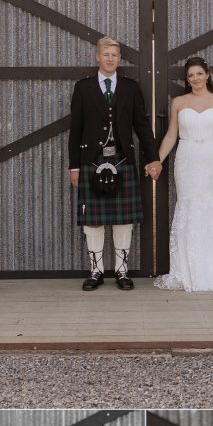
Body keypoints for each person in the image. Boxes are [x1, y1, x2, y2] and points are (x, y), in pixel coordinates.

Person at [68, 35, 163, 291]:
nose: (111, 59)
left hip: (122, 160)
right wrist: (74, 166)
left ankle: (122, 271)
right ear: (98, 56)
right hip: (91, 161)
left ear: (119, 59)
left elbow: (142, 126)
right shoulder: (83, 88)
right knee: (94, 220)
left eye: (115, 55)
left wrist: (153, 157)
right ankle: (96, 271)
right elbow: (75, 130)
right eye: (106, 55)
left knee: (124, 220)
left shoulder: (130, 88)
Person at [154, 57, 213, 294]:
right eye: (190, 76)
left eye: (199, 74)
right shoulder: (178, 102)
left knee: (210, 209)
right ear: (187, 79)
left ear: (207, 75)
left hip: (211, 159)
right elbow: (170, 136)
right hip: (186, 160)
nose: (195, 79)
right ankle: (186, 271)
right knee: (187, 209)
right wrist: (158, 160)